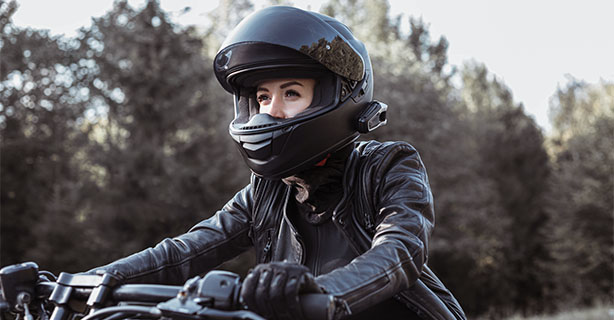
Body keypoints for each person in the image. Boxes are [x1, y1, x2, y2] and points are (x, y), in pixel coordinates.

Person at [86, 6, 466, 320]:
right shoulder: (265, 192)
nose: (272, 111)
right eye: (263, 97)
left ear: (338, 97)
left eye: (291, 92)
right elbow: (184, 252)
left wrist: (318, 289)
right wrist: (79, 282)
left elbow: (400, 252)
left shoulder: (387, 165)